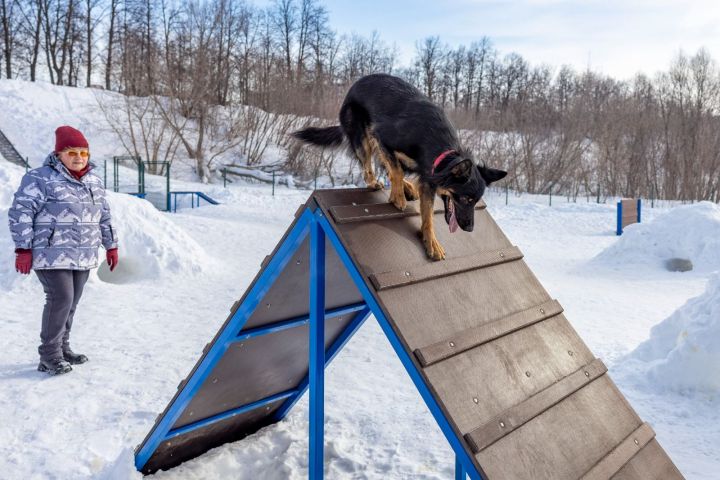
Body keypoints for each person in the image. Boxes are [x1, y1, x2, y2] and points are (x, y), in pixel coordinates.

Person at [8, 126, 119, 375]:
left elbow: (104, 215)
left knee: (72, 302)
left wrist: (111, 245)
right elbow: (21, 212)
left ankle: (62, 348)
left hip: (84, 252)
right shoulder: (40, 178)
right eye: (72, 152)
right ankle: (49, 355)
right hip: (51, 252)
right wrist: (23, 248)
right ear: (59, 154)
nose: (79, 157)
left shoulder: (94, 181)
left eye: (83, 152)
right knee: (61, 298)